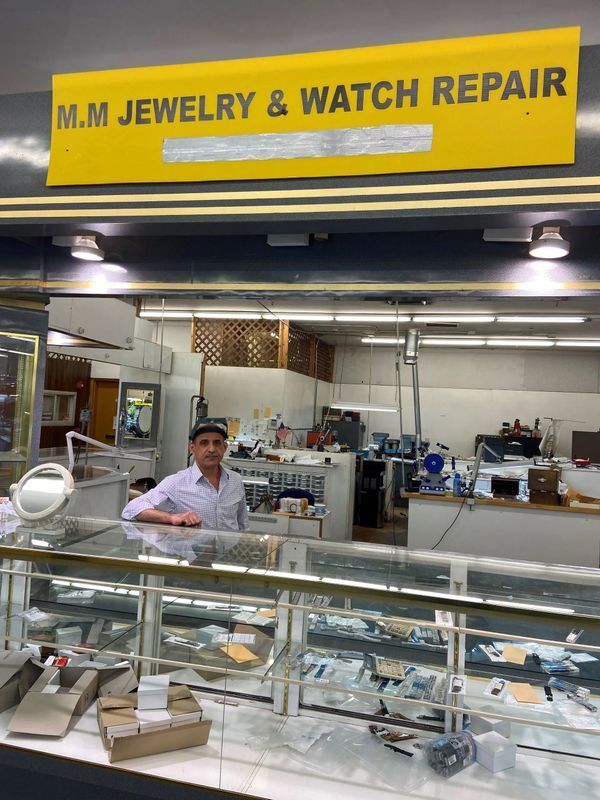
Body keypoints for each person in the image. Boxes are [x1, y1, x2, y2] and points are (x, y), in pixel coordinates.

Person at [122, 422, 248, 531]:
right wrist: (171, 518)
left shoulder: (235, 481)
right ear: (192, 448)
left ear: (225, 447)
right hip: (195, 556)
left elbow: (242, 525)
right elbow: (131, 509)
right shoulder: (177, 483)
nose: (211, 449)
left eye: (217, 443)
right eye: (204, 443)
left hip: (228, 556)